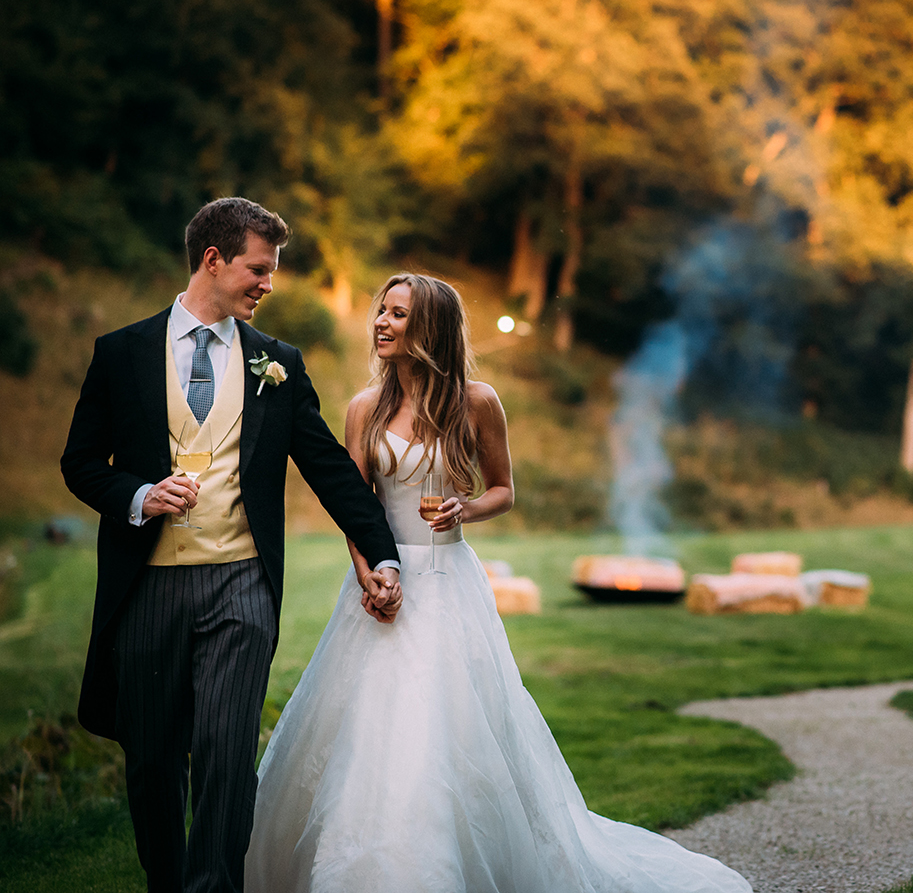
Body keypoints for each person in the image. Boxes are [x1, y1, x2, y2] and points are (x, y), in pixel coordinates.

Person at [244, 274, 749, 893]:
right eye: (381, 310)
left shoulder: (476, 402)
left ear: (427, 328)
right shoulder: (362, 410)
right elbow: (355, 505)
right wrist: (369, 574)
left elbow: (504, 490)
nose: (380, 322)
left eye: (397, 314)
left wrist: (466, 510)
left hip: (447, 583)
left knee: (443, 725)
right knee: (364, 730)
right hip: (379, 581)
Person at [60, 197, 402, 893]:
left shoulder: (278, 362)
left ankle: (214, 885)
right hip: (146, 587)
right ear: (213, 259)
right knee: (153, 757)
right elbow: (81, 462)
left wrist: (384, 551)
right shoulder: (120, 353)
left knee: (224, 749)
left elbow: (330, 469)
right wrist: (138, 495)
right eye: (259, 268)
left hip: (241, 585)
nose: (269, 284)